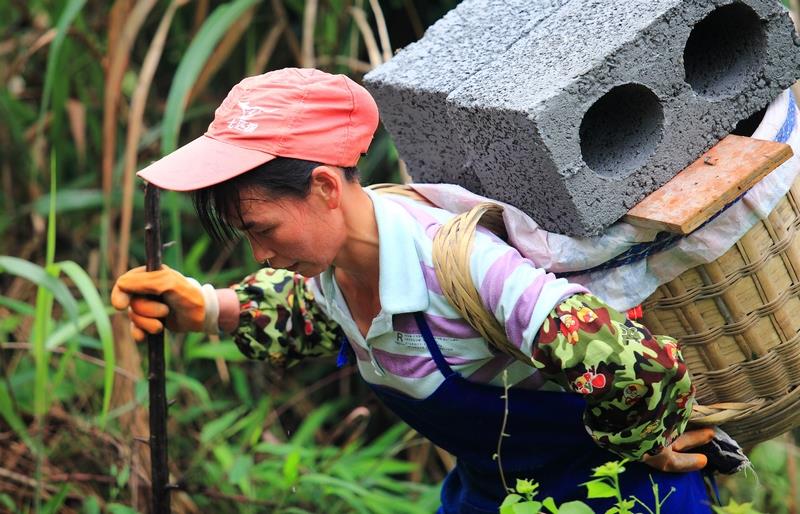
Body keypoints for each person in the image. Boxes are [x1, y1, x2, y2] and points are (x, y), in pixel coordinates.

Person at [111, 68, 717, 514]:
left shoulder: (463, 266)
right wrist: (207, 305)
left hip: (616, 498)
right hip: (495, 496)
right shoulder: (330, 268)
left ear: (324, 187)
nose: (261, 254)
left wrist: (646, 446)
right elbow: (314, 311)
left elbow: (631, 364)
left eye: (262, 230)